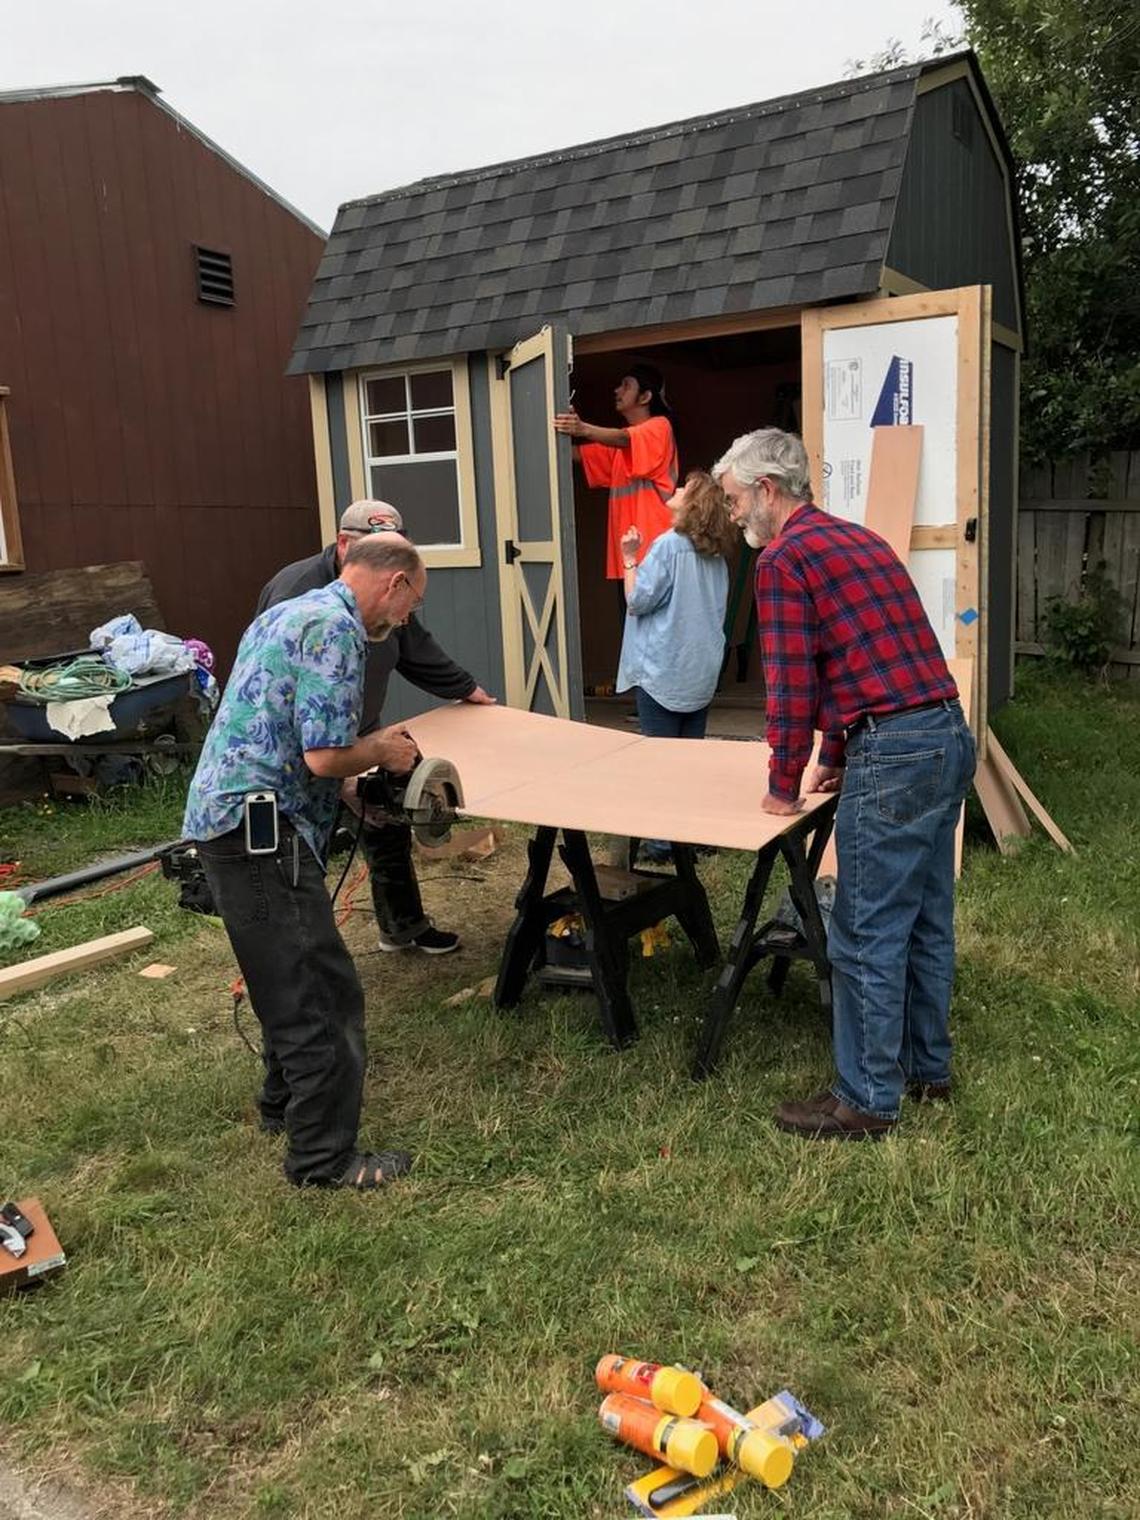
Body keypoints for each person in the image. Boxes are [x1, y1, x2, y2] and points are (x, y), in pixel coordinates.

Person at [713, 428, 976, 1141]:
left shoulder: (785, 558)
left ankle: (865, 1099)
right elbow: (864, 660)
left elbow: (795, 681)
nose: (734, 514)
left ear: (766, 492)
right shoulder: (858, 541)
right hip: (945, 733)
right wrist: (835, 751)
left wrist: (781, 779)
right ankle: (927, 1068)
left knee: (862, 931)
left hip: (896, 750)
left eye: (736, 500)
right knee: (924, 919)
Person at [183, 534, 429, 1189]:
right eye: (410, 605)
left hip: (228, 818)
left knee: (280, 975)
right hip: (260, 833)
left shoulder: (289, 611)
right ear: (395, 583)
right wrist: (381, 751)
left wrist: (346, 788)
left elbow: (286, 728)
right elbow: (325, 754)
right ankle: (323, 1159)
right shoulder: (338, 632)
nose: (403, 621)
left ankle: (281, 1108)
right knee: (319, 990)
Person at [257, 499, 496, 955]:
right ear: (344, 544)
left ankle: (403, 926)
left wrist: (466, 688)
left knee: (386, 820)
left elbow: (413, 645)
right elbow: (279, 690)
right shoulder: (303, 596)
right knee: (305, 847)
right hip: (304, 749)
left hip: (357, 728)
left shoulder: (385, 592)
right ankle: (302, 954)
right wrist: (342, 764)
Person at [616, 470, 734, 862]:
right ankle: (691, 833)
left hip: (664, 669)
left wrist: (630, 559)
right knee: (690, 759)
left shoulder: (668, 546)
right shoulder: (715, 554)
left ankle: (662, 843)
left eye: (685, 488)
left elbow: (638, 602)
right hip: (699, 672)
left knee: (659, 763)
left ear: (694, 504)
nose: (677, 490)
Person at [553, 363, 679, 594]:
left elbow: (624, 438)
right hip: (631, 557)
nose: (617, 390)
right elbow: (575, 454)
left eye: (626, 386)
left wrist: (582, 428)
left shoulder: (660, 427)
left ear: (645, 397)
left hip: (655, 553)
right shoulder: (620, 448)